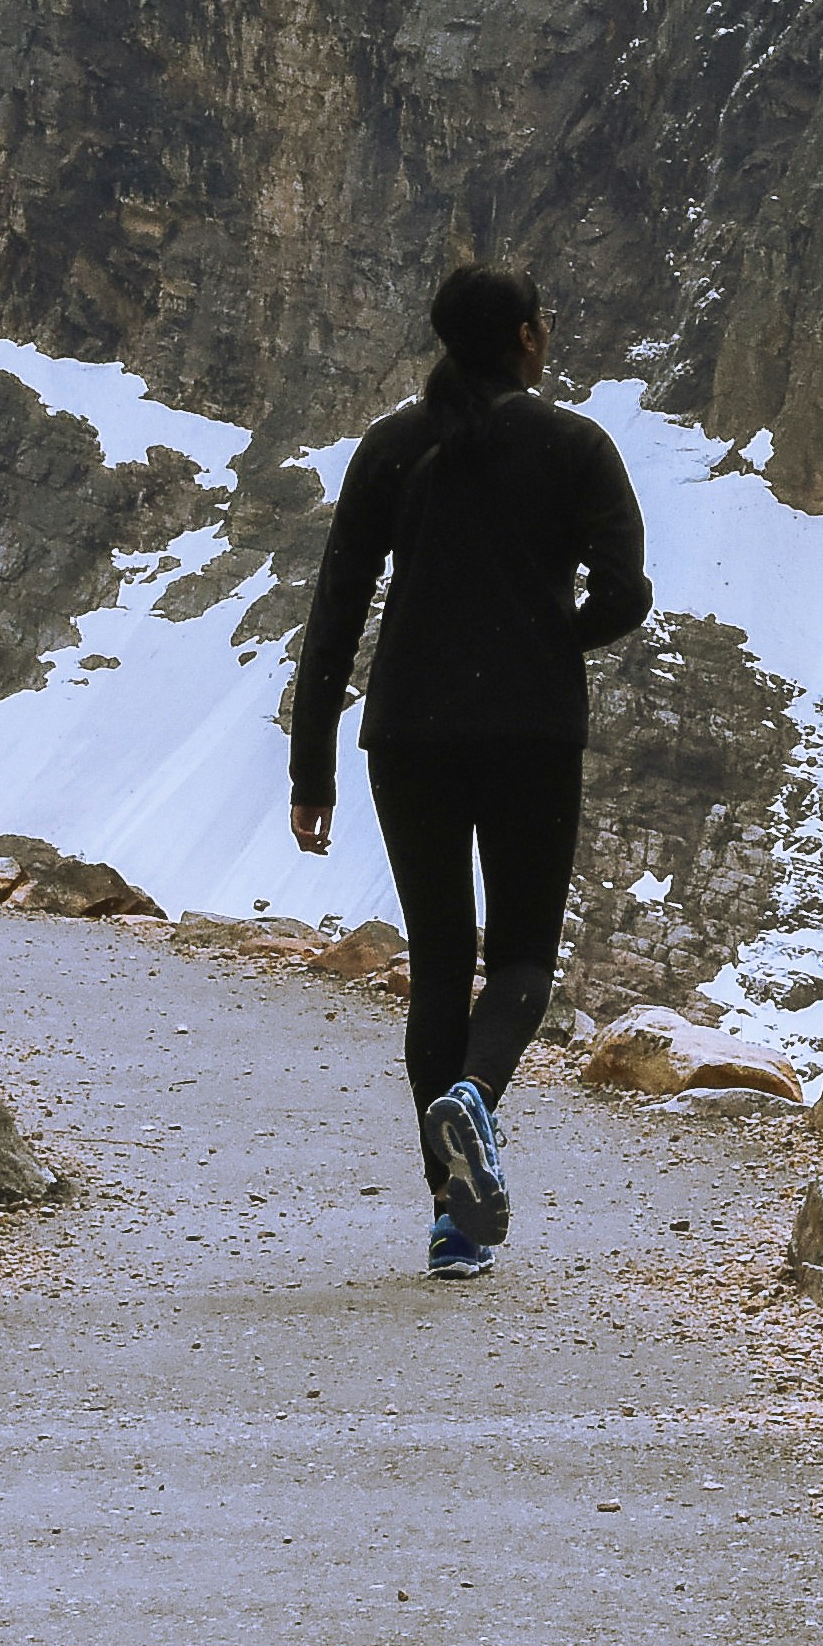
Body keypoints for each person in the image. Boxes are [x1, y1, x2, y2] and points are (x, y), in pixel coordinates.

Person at [283, 264, 650, 1278]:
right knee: (522, 957)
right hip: (530, 728)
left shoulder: (393, 448)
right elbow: (624, 594)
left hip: (409, 731)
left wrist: (311, 762)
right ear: (528, 338)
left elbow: (338, 608)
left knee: (441, 967)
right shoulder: (576, 446)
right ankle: (477, 1097)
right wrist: (549, 637)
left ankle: (452, 1218)